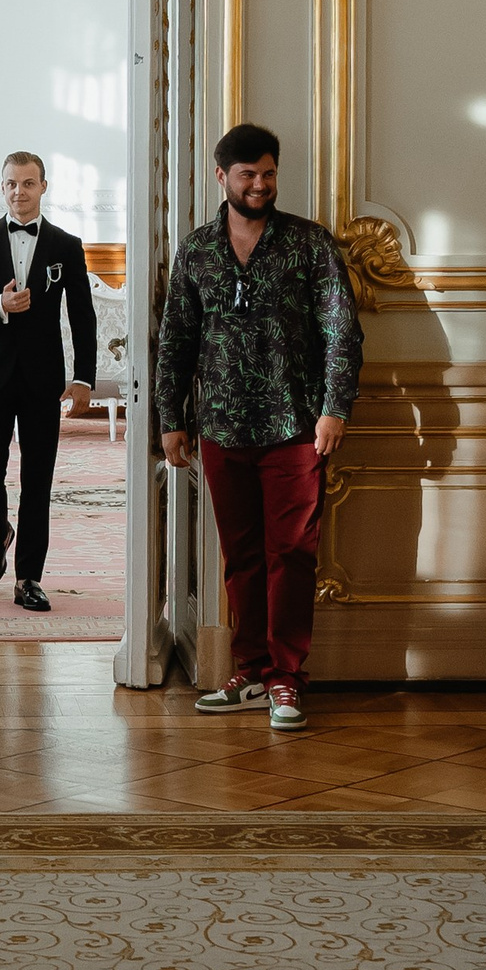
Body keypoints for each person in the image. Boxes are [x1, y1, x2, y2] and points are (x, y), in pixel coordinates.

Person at [157, 123, 363, 731]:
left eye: (268, 173)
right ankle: (248, 671)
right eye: (248, 175)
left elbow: (340, 332)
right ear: (221, 178)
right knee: (240, 557)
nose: (260, 184)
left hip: (296, 427)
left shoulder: (309, 244)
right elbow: (176, 340)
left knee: (292, 556)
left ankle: (287, 681)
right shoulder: (195, 251)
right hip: (220, 428)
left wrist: (335, 407)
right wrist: (173, 419)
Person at [0, 153, 97, 613]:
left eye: (28, 183)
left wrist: (83, 376)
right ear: (2, 187)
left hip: (42, 380)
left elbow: (82, 315)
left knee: (37, 479)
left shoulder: (67, 246)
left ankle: (29, 577)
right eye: (11, 184)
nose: (19, 192)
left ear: (43, 187)